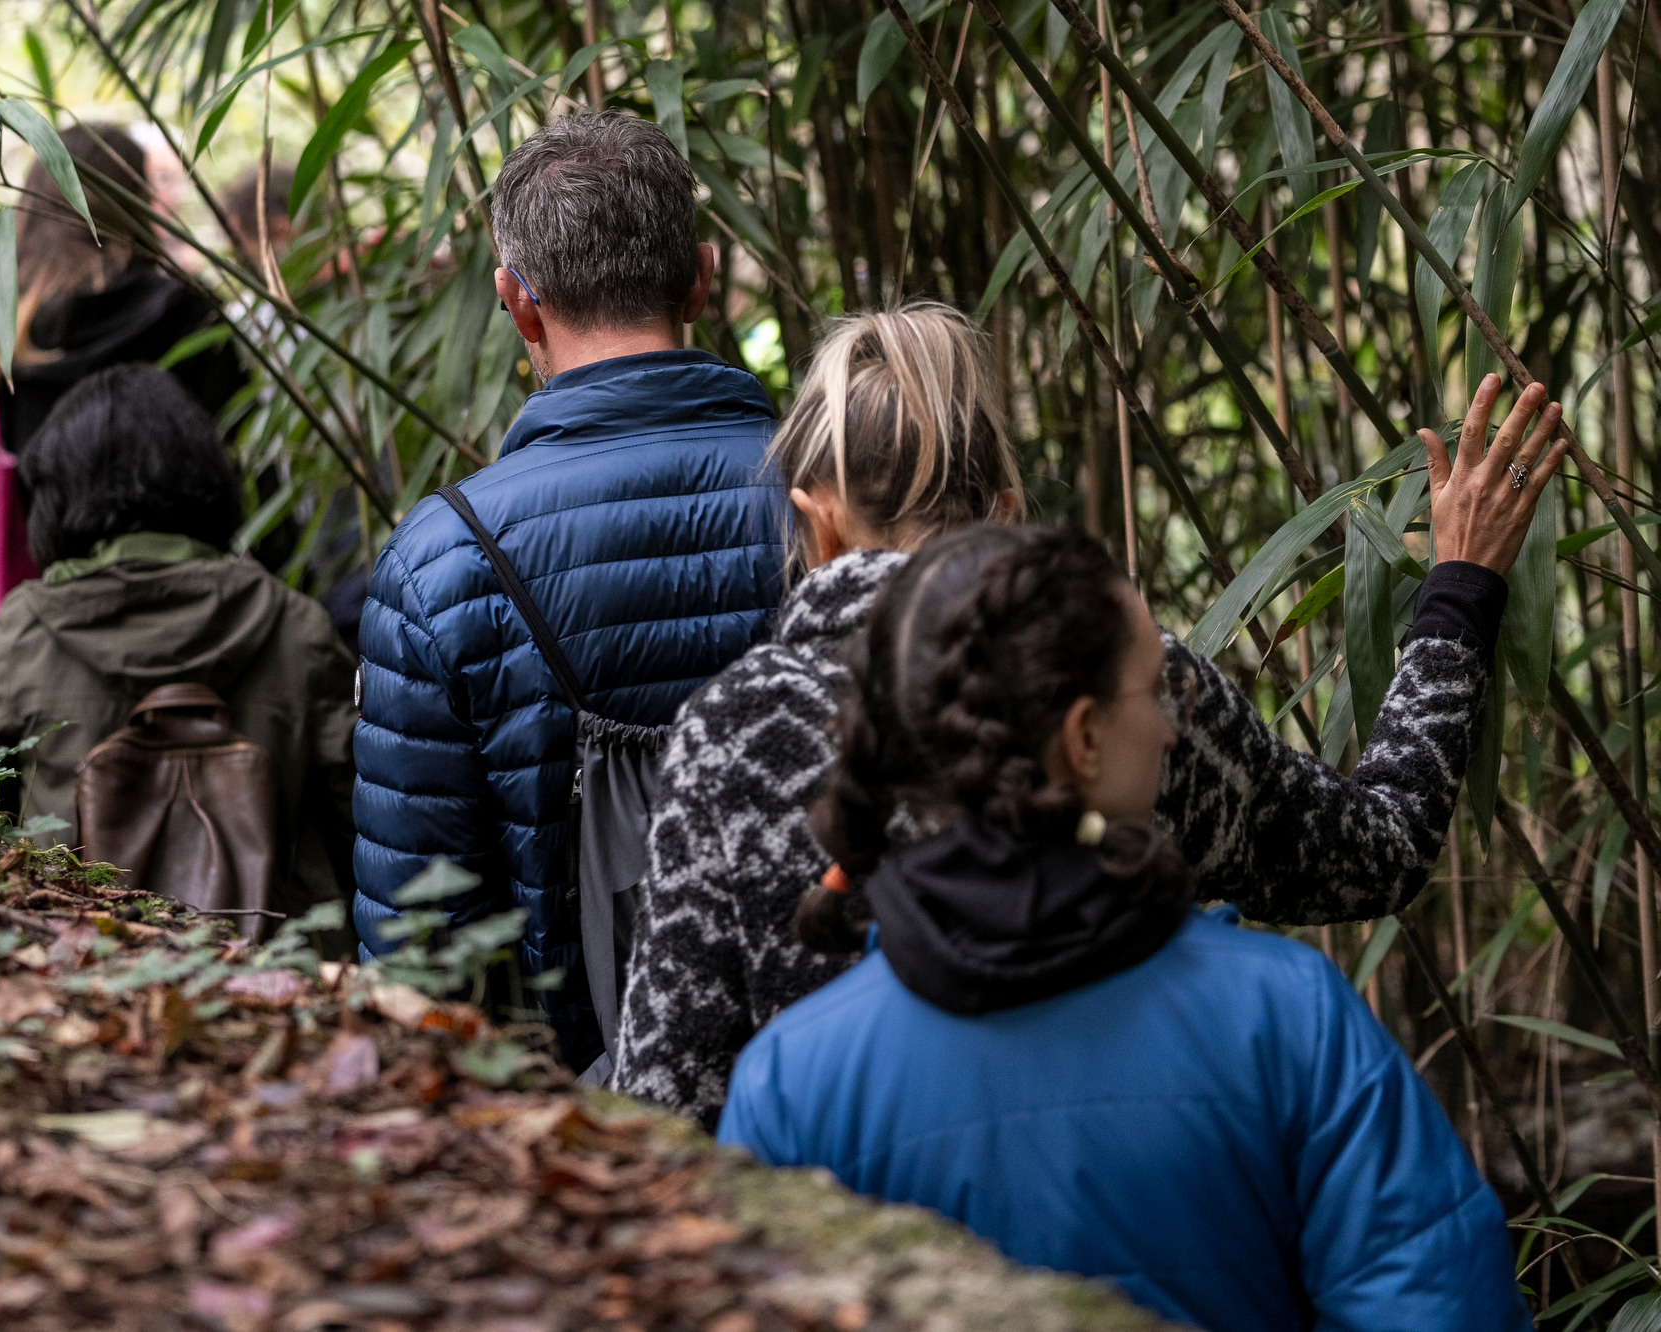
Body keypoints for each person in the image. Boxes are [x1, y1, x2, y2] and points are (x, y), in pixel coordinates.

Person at [612, 303, 1567, 1129]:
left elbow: (667, 1097)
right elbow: (1381, 847)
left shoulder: (727, 734)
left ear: (814, 521)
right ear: (1011, 512)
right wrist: (1458, 591)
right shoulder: (1130, 690)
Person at [718, 523, 1533, 1331]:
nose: (1174, 728)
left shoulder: (789, 1083)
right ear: (1083, 738)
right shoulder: (1289, 1020)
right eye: (1155, 690)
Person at [353, 111, 787, 1066]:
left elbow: (420, 954)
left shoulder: (442, 559)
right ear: (702, 279)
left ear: (518, 302)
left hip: (593, 1113)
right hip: (840, 1057)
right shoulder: (835, 492)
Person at [0, 364, 357, 927]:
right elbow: (360, 823)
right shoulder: (295, 627)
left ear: (55, 494)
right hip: (281, 973)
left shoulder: (24, 632)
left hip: (68, 968)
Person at [0, 123, 246, 459]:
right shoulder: (185, 310)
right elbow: (238, 437)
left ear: (33, 197)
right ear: (135, 199)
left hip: (40, 511)